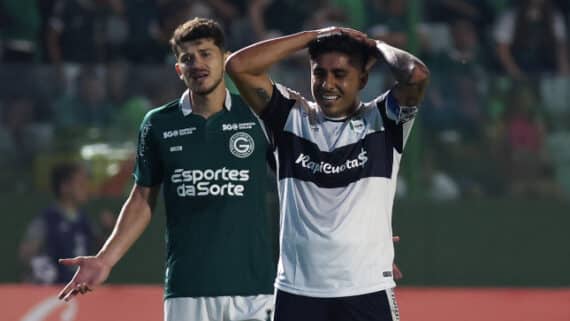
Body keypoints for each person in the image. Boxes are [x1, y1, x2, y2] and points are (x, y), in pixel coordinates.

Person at [57, 18, 278, 321]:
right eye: (187, 58)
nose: (197, 63)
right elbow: (142, 197)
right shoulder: (158, 124)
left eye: (205, 53)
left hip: (255, 290)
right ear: (178, 70)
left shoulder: (257, 116)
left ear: (225, 60)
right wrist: (105, 260)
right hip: (187, 290)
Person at [226, 26, 429, 321]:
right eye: (319, 73)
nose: (327, 83)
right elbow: (238, 66)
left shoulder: (383, 121)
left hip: (367, 288)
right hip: (297, 291)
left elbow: (416, 75)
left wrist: (374, 45)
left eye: (340, 74)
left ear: (362, 79)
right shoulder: (289, 117)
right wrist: (313, 35)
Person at [19, 162, 112, 284]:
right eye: (81, 184)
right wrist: (40, 269)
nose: (86, 189)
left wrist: (108, 230)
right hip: (54, 291)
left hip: (80, 288)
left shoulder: (85, 221)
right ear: (65, 187)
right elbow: (26, 253)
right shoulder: (47, 220)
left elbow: (100, 250)